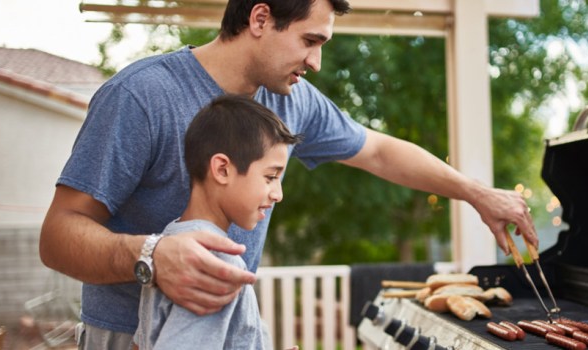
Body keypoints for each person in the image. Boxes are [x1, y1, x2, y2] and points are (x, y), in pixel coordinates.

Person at [40, 0, 538, 348]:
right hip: (128, 336)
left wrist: (477, 194)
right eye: (310, 40)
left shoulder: (289, 100)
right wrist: (153, 255)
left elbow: (380, 152)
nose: (316, 61)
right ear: (260, 18)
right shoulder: (142, 97)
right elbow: (58, 235)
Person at [135, 94, 299, 350]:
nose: (279, 194)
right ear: (222, 169)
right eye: (270, 177)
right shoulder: (216, 263)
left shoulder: (171, 240)